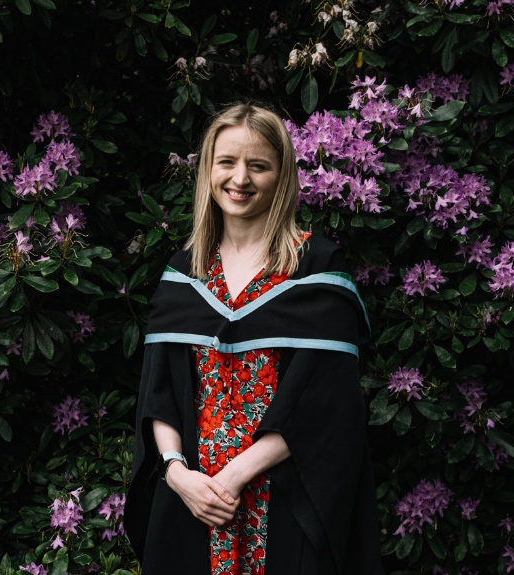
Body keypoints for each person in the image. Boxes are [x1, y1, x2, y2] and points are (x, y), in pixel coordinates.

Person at [126, 102, 381, 575]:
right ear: (208, 171)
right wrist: (179, 476)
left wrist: (235, 477)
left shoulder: (316, 269)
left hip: (281, 493)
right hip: (193, 496)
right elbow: (156, 394)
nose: (240, 178)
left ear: (281, 176)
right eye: (227, 162)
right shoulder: (184, 273)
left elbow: (326, 404)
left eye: (258, 165)